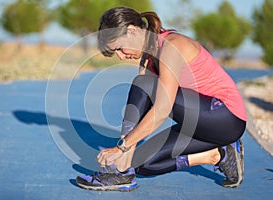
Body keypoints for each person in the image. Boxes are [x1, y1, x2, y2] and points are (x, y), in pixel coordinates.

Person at [76, 6, 246, 191]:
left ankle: (121, 170)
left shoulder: (171, 46)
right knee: (141, 164)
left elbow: (163, 108)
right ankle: (219, 154)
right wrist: (125, 155)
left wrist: (121, 148)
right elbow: (139, 111)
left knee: (143, 83)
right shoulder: (148, 59)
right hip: (200, 124)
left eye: (120, 48)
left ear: (132, 30)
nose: (121, 56)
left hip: (226, 118)